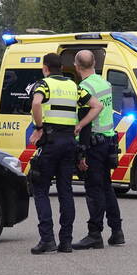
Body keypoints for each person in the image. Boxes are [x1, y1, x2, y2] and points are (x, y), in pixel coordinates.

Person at [28, 52, 102, 254]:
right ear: (62, 68)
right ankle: (66, 241)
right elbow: (97, 105)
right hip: (69, 142)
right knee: (65, 191)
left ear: (45, 68)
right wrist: (80, 125)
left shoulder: (44, 84)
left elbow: (36, 103)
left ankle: (47, 239)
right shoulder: (73, 86)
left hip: (51, 141)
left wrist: (39, 126)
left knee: (41, 188)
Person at [71, 50, 125, 250]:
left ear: (77, 66)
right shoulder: (105, 83)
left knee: (94, 190)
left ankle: (95, 234)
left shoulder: (84, 87)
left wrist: (81, 149)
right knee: (106, 187)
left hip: (93, 143)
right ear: (94, 63)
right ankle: (117, 231)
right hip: (108, 141)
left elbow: (87, 121)